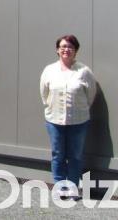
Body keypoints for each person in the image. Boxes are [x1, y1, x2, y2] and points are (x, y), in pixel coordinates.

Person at [40, 34, 96, 199]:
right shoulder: (49, 70)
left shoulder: (84, 71)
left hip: (78, 121)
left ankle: (72, 188)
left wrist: (81, 109)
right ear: (57, 50)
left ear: (76, 51)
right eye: (63, 46)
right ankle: (59, 187)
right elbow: (44, 94)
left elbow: (91, 94)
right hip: (54, 120)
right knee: (57, 154)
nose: (66, 49)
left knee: (75, 155)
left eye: (70, 47)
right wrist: (51, 107)